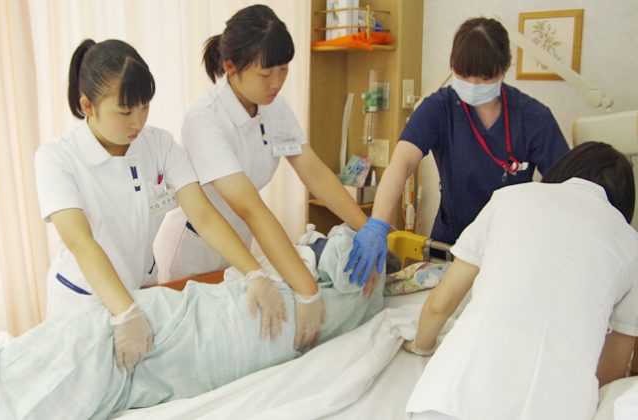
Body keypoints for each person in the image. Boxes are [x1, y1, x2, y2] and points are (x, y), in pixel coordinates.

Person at [0, 225, 385, 420]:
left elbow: (349, 259)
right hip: (200, 313)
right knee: (101, 339)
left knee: (108, 352)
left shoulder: (348, 291)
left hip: (205, 333)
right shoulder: (321, 288)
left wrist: (309, 280)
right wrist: (282, 277)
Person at [36, 39, 291, 373]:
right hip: (84, 300)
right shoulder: (57, 157)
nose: (137, 122)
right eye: (125, 112)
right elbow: (80, 242)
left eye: (144, 107)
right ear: (88, 105)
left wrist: (254, 273)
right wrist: (125, 313)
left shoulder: (158, 144)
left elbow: (203, 214)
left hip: (141, 293)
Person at [154, 5, 375, 347]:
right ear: (231, 67)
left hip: (239, 241)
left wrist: (368, 229)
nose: (277, 82)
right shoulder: (204, 120)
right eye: (265, 73)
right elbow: (249, 207)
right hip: (194, 248)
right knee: (193, 341)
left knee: (235, 340)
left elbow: (312, 170)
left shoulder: (274, 107)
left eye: (283, 70)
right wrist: (307, 290)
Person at [401, 142, 638, 420]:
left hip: (452, 396)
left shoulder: (510, 198)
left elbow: (439, 305)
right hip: (554, 409)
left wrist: (421, 346)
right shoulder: (632, 246)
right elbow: (611, 370)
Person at [345, 17, 570, 286]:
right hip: (452, 244)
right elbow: (402, 163)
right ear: (452, 65)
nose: (473, 84)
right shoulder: (439, 108)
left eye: (484, 78)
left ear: (505, 67)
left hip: (511, 248)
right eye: (464, 75)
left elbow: (568, 189)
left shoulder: (533, 118)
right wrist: (377, 224)